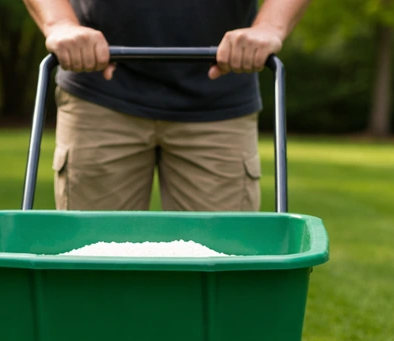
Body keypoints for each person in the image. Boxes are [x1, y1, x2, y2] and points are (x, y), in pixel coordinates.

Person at [22, 0, 311, 213]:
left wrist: (270, 27)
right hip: (97, 94)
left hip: (219, 100)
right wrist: (59, 23)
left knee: (221, 262)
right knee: (95, 260)